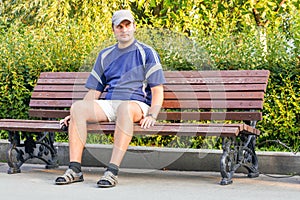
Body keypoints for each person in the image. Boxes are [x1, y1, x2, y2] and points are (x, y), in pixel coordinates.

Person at [55, 9, 166, 188]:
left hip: (136, 105)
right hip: (111, 104)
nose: (124, 30)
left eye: (127, 25)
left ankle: (112, 171)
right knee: (77, 108)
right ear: (114, 30)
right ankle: (74, 169)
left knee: (124, 108)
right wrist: (74, 113)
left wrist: (152, 115)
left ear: (134, 27)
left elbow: (157, 89)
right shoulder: (105, 55)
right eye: (119, 26)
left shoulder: (146, 52)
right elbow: (94, 92)